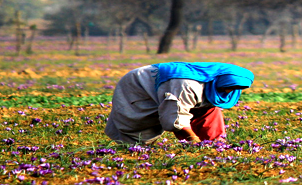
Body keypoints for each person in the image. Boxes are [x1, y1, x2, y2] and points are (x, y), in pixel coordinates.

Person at [105, 62, 254, 145]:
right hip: (139, 85)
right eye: (229, 86)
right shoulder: (186, 85)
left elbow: (207, 110)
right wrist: (193, 141)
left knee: (209, 109)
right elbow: (176, 116)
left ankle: (216, 144)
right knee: (139, 132)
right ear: (221, 80)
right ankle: (132, 150)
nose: (229, 91)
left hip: (171, 84)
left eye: (236, 89)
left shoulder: (216, 84)